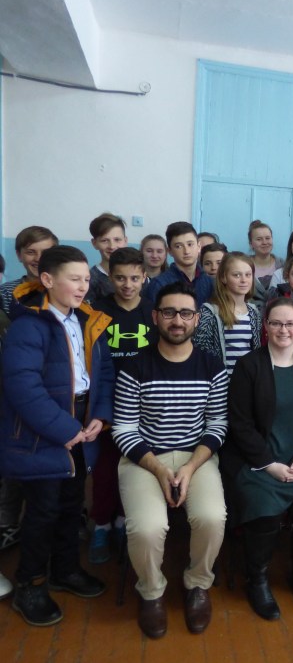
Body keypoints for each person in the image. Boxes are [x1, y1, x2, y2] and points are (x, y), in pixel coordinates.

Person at [0, 245, 114, 626]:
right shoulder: (29, 325)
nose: (83, 286)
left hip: (82, 425)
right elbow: (23, 388)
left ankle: (65, 570)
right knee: (43, 511)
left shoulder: (87, 320)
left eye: (86, 279)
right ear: (47, 280)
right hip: (45, 433)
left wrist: (99, 416)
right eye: (74, 279)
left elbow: (104, 374)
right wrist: (66, 430)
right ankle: (30, 584)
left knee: (70, 505)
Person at [112, 281, 228, 638]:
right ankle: (151, 591)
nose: (177, 320)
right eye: (169, 312)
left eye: (186, 313)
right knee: (147, 528)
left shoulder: (212, 366)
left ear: (197, 319)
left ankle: (198, 583)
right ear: (155, 317)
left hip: (197, 457)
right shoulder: (135, 366)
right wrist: (160, 469)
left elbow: (217, 424)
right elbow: (123, 428)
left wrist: (191, 467)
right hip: (145, 459)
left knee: (212, 517)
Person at [225, 297, 293, 620]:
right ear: (265, 327)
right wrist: (270, 465)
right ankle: (257, 580)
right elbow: (240, 424)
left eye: (290, 324)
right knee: (266, 514)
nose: (284, 330)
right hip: (258, 462)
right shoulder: (249, 366)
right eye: (276, 323)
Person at [89, 247, 157, 564]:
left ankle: (122, 521)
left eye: (134, 278)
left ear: (144, 277)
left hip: (143, 405)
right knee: (105, 468)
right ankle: (101, 524)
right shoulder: (97, 312)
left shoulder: (153, 312)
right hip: (107, 403)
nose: (127, 285)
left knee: (134, 466)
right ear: (110, 278)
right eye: (120, 278)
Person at [0, 225, 58, 553]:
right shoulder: (8, 293)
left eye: (45, 252)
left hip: (57, 389)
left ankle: (60, 519)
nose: (37, 258)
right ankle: (8, 523)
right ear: (20, 255)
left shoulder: (66, 289)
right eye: (30, 252)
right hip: (19, 386)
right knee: (16, 460)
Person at [194, 252, 261, 382]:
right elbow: (201, 351)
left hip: (247, 382)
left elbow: (255, 351)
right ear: (224, 278)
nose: (244, 280)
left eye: (248, 275)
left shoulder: (254, 312)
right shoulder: (210, 312)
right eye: (237, 275)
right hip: (221, 382)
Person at [144, 222, 214, 306]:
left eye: (190, 244)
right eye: (178, 246)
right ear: (170, 251)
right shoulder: (159, 284)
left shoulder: (209, 281)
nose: (186, 251)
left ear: (199, 246)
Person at [86, 212, 128, 303]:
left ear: (125, 241)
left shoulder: (137, 275)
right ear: (94, 243)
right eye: (104, 240)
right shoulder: (90, 279)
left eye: (117, 240)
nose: (112, 246)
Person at [248, 220, 283, 289]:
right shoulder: (244, 265)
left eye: (267, 238)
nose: (264, 242)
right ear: (251, 244)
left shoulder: (283, 265)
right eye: (259, 239)